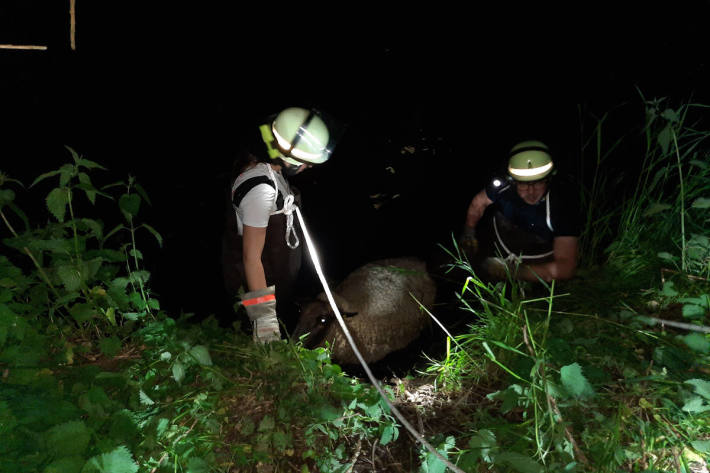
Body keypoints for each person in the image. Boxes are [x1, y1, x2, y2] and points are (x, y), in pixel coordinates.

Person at [221, 107, 335, 343]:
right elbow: (250, 258)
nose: (310, 166)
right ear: (288, 155)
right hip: (257, 287)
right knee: (257, 345)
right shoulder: (260, 189)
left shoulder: (273, 166)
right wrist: (263, 318)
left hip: (277, 280)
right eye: (306, 161)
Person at [461, 140, 580, 283]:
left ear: (549, 179)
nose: (531, 191)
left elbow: (565, 268)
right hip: (502, 244)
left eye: (538, 182)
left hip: (539, 259)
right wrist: (469, 232)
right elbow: (478, 204)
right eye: (523, 184)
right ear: (512, 180)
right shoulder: (501, 187)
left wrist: (515, 273)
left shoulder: (562, 205)